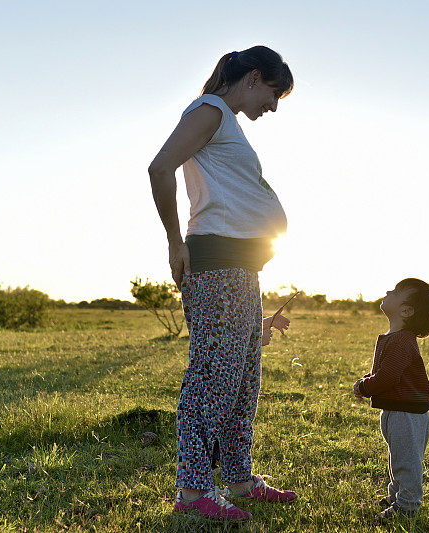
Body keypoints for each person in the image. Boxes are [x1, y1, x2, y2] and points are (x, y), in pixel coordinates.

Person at [148, 45, 297, 522]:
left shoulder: (224, 120)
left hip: (240, 269)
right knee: (212, 378)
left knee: (243, 379)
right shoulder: (210, 110)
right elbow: (159, 167)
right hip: (215, 265)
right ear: (253, 78)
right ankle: (193, 492)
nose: (272, 107)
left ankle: (237, 478)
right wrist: (175, 241)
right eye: (273, 94)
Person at [352, 278, 429, 522]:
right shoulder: (396, 337)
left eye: (395, 291)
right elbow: (386, 373)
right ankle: (396, 496)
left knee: (406, 461)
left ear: (406, 310)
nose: (387, 291)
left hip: (407, 413)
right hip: (397, 410)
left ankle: (407, 505)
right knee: (398, 456)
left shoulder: (402, 340)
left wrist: (364, 385)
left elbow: (387, 377)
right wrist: (368, 380)